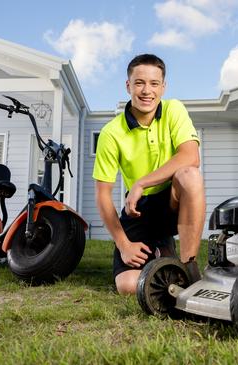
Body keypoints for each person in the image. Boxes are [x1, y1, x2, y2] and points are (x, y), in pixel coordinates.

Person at [93, 54, 205, 294]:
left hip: (170, 202)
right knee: (128, 286)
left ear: (163, 87)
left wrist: (141, 183)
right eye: (139, 83)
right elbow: (103, 195)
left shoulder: (174, 109)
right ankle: (161, 255)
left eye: (154, 84)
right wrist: (123, 245)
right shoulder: (111, 133)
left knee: (190, 175)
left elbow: (190, 156)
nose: (147, 91)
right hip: (138, 211)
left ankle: (189, 268)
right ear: (128, 86)